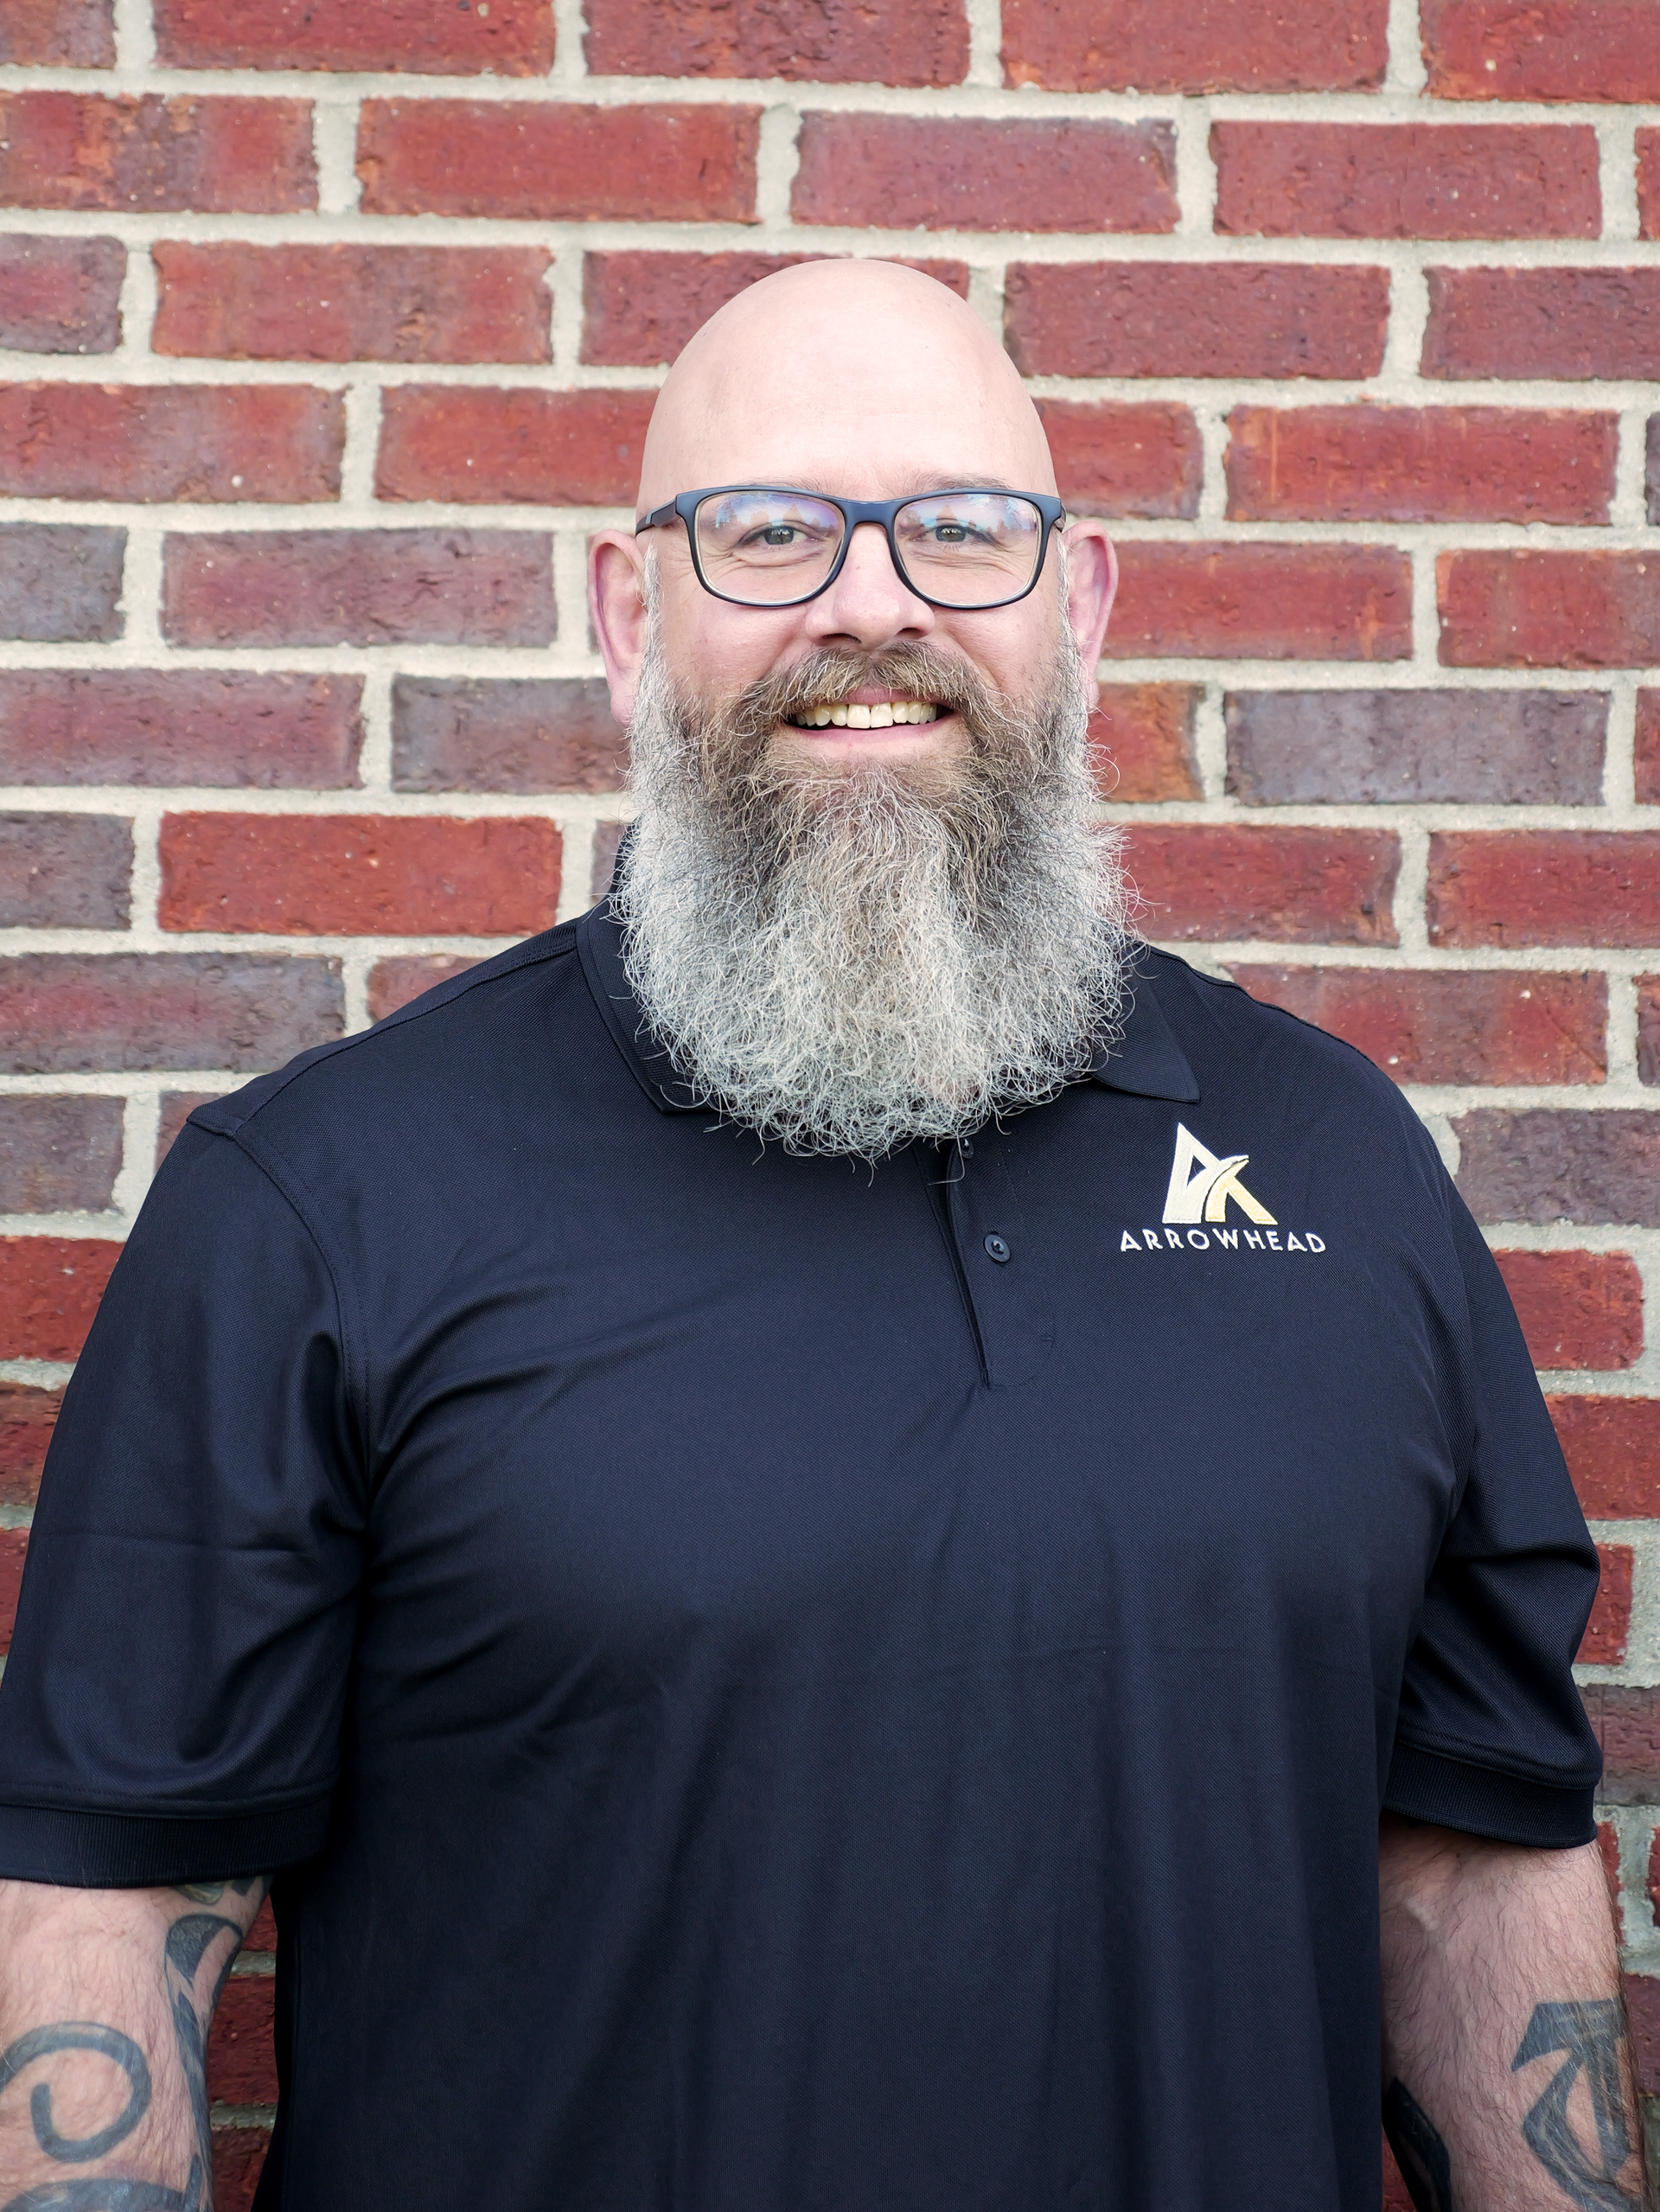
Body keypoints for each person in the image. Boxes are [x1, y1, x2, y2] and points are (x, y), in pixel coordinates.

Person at [0, 259, 1641, 2212]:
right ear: (630, 612)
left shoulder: (1340, 1162)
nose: (875, 606)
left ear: (1080, 603)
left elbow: (1469, 1853)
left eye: (963, 530)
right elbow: (113, 1890)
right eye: (768, 533)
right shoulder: (328, 1195)